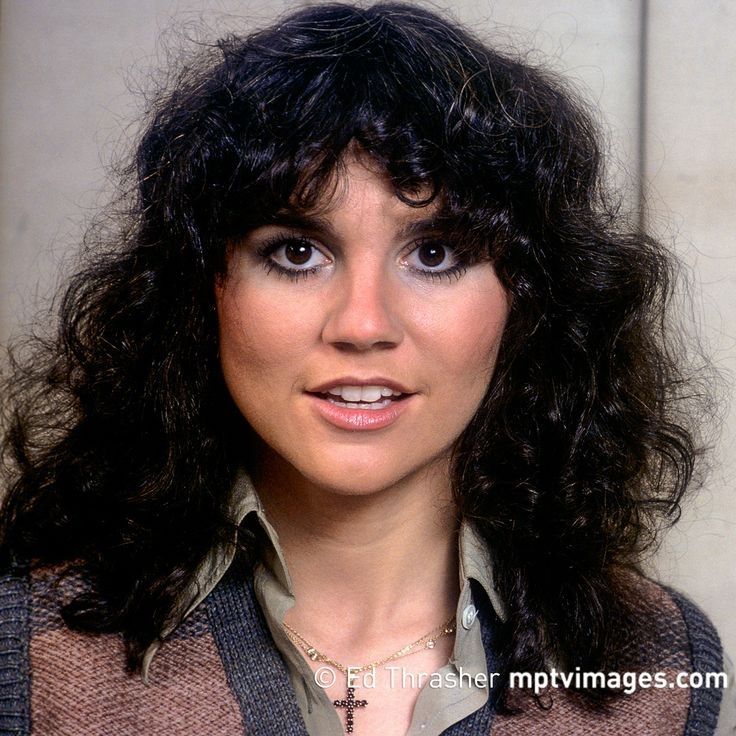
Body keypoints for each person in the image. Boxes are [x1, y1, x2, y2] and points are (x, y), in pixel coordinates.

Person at [0, 2, 732, 734]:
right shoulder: (26, 649)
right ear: (204, 291)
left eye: (435, 254)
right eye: (296, 252)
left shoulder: (660, 674)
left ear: (529, 302)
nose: (363, 325)